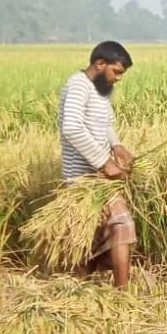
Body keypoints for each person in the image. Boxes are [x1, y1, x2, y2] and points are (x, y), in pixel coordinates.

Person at [59, 41, 136, 287]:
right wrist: (104, 162)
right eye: (116, 71)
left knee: (109, 228)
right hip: (82, 179)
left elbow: (105, 124)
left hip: (99, 179)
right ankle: (119, 292)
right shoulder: (78, 85)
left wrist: (116, 146)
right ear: (99, 64)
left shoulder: (100, 90)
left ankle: (106, 287)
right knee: (118, 225)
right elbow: (71, 126)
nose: (118, 78)